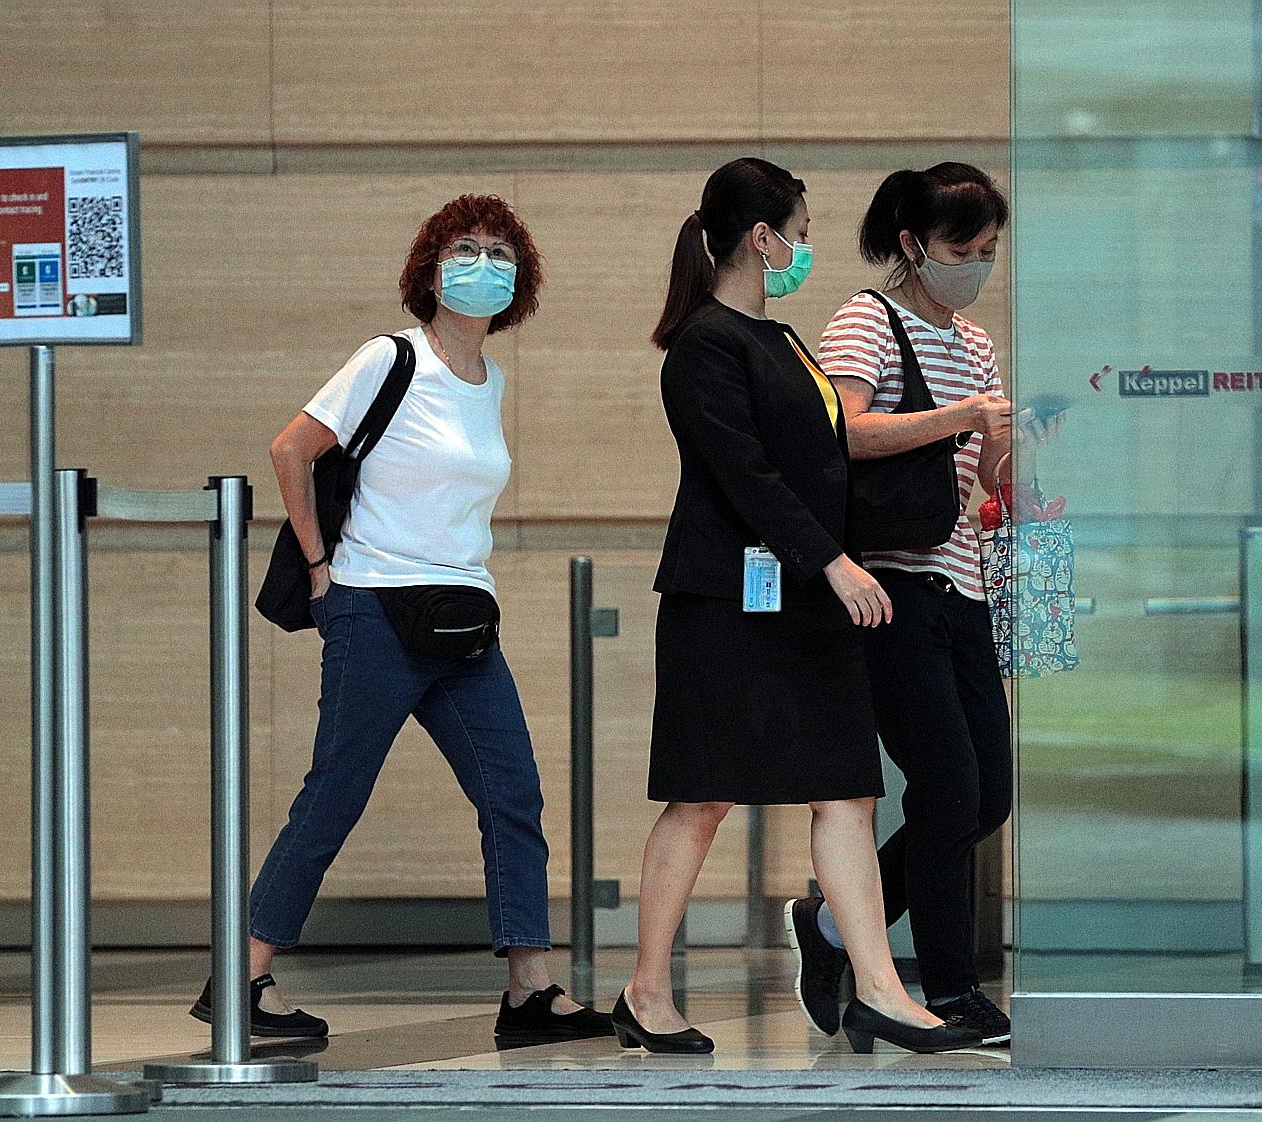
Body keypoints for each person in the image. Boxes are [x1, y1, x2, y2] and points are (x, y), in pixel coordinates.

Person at [192, 194, 613, 1044]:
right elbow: (291, 449)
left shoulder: (488, 380)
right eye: (466, 246)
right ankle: (241, 979)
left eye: (501, 250)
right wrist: (320, 572)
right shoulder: (390, 359)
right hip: (374, 608)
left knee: (512, 794)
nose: (485, 261)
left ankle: (529, 992)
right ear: (429, 267)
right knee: (337, 792)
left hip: (462, 617)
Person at [612, 158, 982, 1056]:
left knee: (850, 793)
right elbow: (748, 478)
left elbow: (826, 468)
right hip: (729, 605)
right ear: (761, 237)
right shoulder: (704, 345)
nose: (806, 251)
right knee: (702, 797)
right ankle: (645, 992)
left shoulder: (787, 344)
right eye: (801, 235)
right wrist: (837, 565)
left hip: (802, 601)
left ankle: (882, 989)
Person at [799, 162, 1016, 1046]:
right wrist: (961, 414)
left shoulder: (975, 343)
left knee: (986, 796)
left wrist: (1008, 440)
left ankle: (828, 927)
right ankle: (949, 988)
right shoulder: (866, 320)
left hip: (962, 584)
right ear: (911, 244)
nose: (976, 266)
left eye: (989, 251)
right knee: (946, 784)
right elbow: (844, 431)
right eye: (962, 250)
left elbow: (981, 476)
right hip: (889, 586)